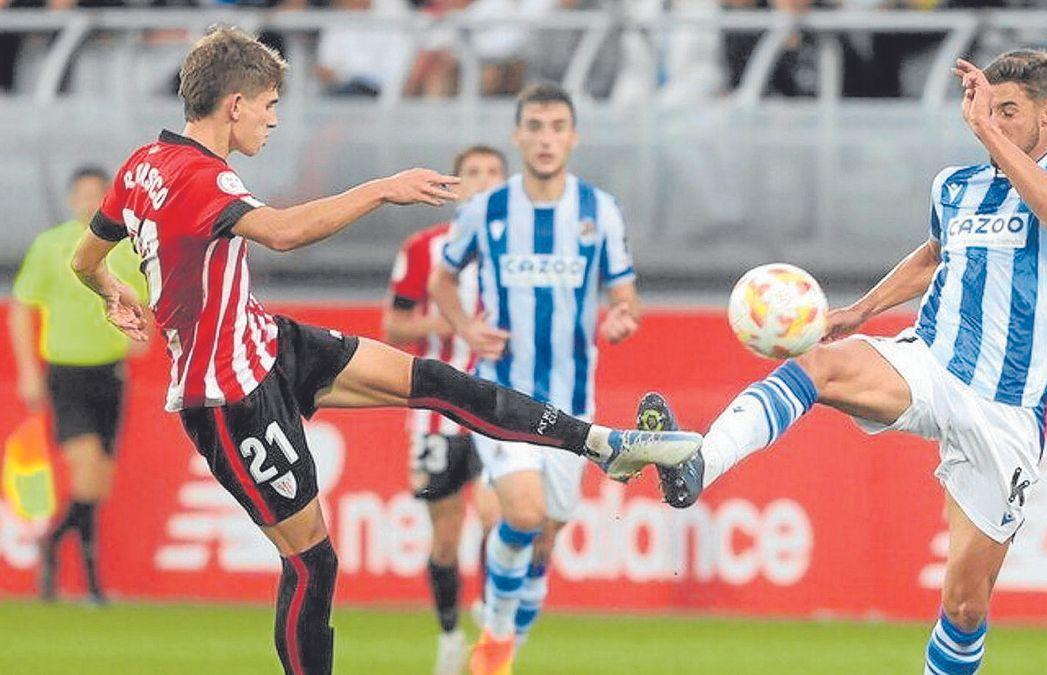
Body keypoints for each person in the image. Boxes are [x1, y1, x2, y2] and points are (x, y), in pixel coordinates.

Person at [68, 27, 699, 675]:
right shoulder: (205, 179)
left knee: (436, 379)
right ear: (235, 105)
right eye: (269, 104)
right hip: (229, 396)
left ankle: (603, 444)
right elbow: (283, 233)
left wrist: (109, 287)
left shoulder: (144, 164)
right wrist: (381, 188)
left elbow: (84, 257)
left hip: (268, 342)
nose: (274, 119)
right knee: (313, 562)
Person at [649, 49, 1047, 675]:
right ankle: (700, 460)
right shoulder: (955, 186)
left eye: (1010, 112)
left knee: (965, 605)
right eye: (989, 110)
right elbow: (933, 255)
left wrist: (986, 131)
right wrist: (861, 311)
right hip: (930, 361)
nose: (995, 121)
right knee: (820, 367)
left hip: (1007, 406)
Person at [429, 82, 642, 675]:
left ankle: (507, 649)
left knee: (543, 539)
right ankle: (494, 638)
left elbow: (624, 291)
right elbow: (442, 282)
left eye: (557, 128)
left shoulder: (599, 210)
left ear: (573, 137)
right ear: (518, 136)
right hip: (500, 392)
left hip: (574, 405)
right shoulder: (486, 210)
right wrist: (466, 330)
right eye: (536, 127)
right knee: (519, 514)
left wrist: (623, 315)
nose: (546, 139)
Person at [381, 144, 506, 675]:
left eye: (492, 173)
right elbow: (395, 326)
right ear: (455, 185)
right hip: (439, 409)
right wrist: (456, 325)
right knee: (447, 535)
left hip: (503, 407)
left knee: (503, 518)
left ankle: (493, 618)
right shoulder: (425, 248)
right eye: (472, 172)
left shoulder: (523, 249)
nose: (481, 181)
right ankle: (451, 633)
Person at [9, 166, 148, 605]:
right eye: (84, 194)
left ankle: (72, 565)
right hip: (66, 372)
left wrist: (145, 328)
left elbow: (145, 300)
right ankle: (82, 574)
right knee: (86, 472)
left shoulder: (126, 248)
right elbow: (21, 306)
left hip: (110, 372)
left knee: (98, 485)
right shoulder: (52, 246)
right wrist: (29, 371)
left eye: (99, 195)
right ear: (73, 200)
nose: (91, 202)